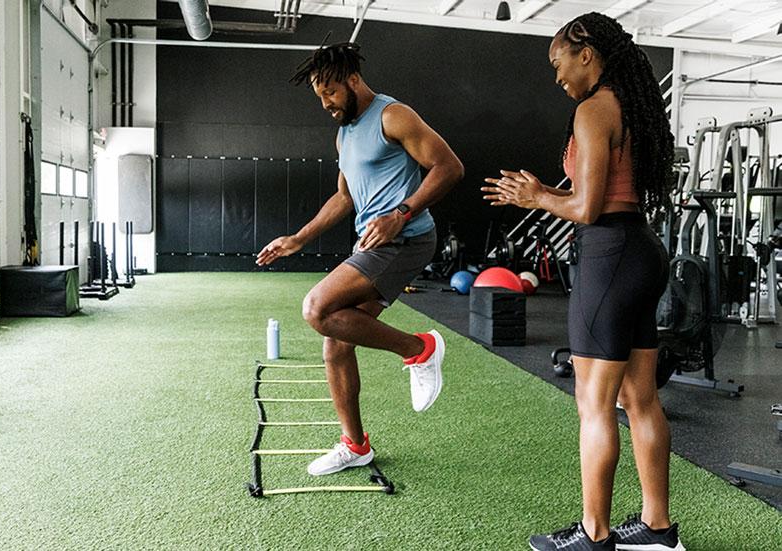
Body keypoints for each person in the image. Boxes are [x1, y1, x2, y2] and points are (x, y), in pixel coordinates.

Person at [481, 13, 684, 551]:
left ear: (586, 53)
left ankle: (595, 536)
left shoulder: (593, 108)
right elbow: (602, 194)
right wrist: (543, 190)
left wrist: (537, 198)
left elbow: (589, 208)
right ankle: (658, 528)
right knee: (640, 398)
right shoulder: (630, 106)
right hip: (639, 249)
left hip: (609, 258)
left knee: (594, 404)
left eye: (559, 63)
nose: (557, 77)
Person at [256, 43, 464, 476]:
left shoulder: (393, 116)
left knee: (317, 308)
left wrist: (400, 213)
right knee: (336, 341)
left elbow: (449, 166)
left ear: (352, 80)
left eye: (330, 92)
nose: (326, 103)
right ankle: (356, 445)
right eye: (320, 97)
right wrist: (298, 238)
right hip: (372, 243)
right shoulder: (345, 131)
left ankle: (420, 349)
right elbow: (344, 196)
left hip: (405, 240)